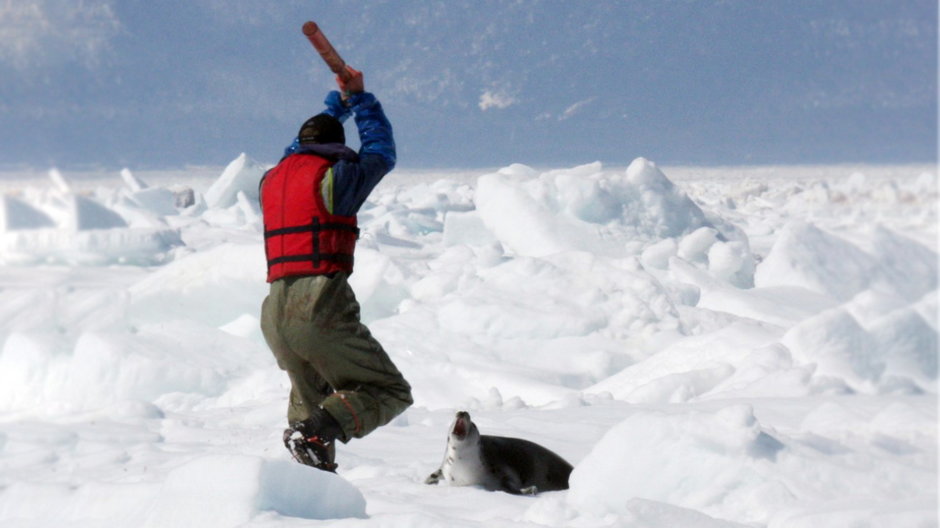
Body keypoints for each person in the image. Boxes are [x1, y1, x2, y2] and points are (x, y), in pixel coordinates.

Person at [259, 66, 413, 472]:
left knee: (309, 414)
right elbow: (381, 153)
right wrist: (363, 102)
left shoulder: (272, 178)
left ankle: (307, 492)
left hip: (275, 313)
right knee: (387, 390)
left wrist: (336, 105)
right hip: (319, 305)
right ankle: (316, 432)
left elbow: (300, 147)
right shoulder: (336, 178)